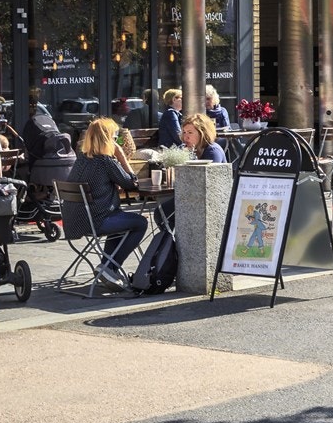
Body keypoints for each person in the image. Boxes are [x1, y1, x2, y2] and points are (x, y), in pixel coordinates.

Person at [62, 117, 146, 291]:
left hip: (74, 222)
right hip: (96, 221)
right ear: (108, 139)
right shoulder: (105, 161)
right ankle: (108, 267)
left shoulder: (82, 159)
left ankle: (107, 269)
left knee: (121, 223)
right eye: (115, 137)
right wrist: (121, 156)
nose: (117, 141)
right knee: (140, 223)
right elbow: (132, 183)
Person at [156, 113, 226, 231]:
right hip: (193, 196)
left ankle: (171, 241)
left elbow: (207, 179)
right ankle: (171, 241)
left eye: (190, 132)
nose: (186, 137)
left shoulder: (213, 151)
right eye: (184, 132)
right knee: (161, 211)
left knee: (163, 213)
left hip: (210, 200)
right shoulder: (191, 149)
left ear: (202, 133)